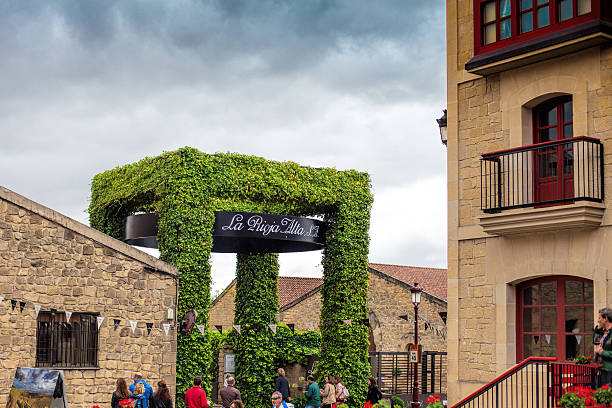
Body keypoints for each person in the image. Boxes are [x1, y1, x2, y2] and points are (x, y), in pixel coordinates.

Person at [595, 307, 612, 387]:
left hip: (609, 371)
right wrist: (597, 331)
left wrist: (603, 352)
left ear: (606, 318)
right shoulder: (603, 332)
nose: (598, 320)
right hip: (601, 370)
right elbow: (595, 342)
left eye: (599, 318)